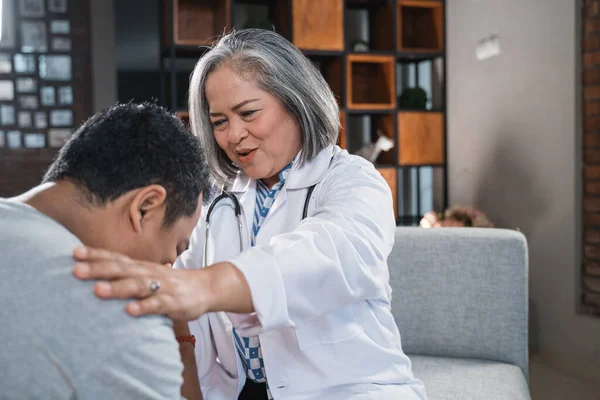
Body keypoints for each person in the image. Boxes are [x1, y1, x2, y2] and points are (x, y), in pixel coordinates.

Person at [72, 29, 428, 400]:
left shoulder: (353, 181)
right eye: (220, 121)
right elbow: (181, 298)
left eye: (248, 113)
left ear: (296, 100)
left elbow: (331, 253)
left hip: (348, 389)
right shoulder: (214, 199)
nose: (234, 135)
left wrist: (208, 287)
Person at [0, 102, 209, 399]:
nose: (169, 267)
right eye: (176, 248)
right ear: (145, 207)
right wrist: (181, 335)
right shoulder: (116, 308)